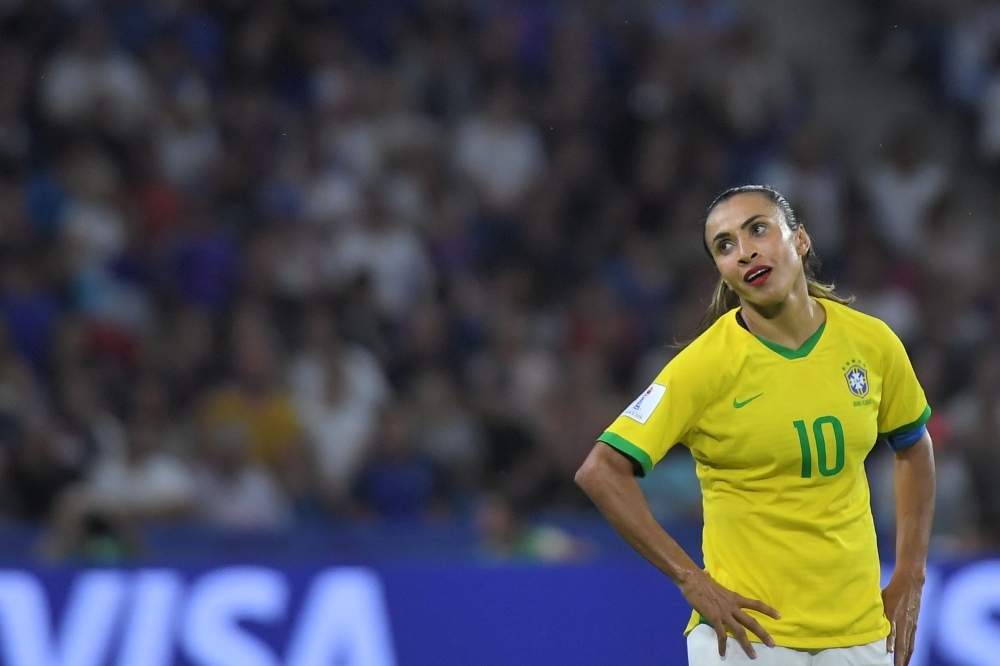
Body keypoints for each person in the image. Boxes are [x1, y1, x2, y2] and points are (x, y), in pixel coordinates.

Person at [575, 185, 935, 666]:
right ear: (722, 270)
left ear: (800, 239)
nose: (744, 252)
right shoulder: (704, 366)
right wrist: (691, 580)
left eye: (757, 230)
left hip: (859, 632)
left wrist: (910, 571)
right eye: (725, 246)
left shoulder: (872, 343)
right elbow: (600, 470)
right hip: (748, 637)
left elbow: (913, 445)